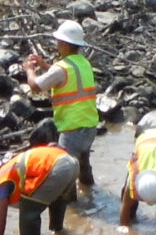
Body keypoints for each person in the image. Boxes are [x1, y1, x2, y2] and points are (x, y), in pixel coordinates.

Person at [22, 19, 101, 189]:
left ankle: (71, 208)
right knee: (83, 165)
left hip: (72, 129)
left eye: (58, 41)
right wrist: (45, 66)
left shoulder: (61, 68)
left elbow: (36, 87)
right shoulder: (83, 63)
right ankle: (90, 194)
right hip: (89, 126)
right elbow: (64, 77)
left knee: (66, 172)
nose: (56, 44)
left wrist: (30, 70)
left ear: (65, 44)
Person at [0, 142, 81, 235]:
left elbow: (0, 220)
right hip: (72, 163)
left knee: (28, 213)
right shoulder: (8, 169)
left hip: (58, 168)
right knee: (56, 197)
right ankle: (58, 230)